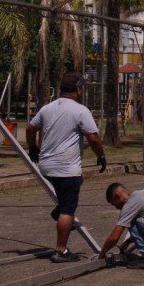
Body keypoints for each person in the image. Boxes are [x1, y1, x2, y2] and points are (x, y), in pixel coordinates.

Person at [26, 72, 107, 263]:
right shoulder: (80, 111)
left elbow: (30, 128)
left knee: (73, 188)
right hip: (65, 167)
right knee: (68, 209)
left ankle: (59, 212)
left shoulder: (47, 109)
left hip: (46, 166)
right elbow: (93, 137)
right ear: (78, 90)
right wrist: (101, 156)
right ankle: (60, 250)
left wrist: (32, 148)